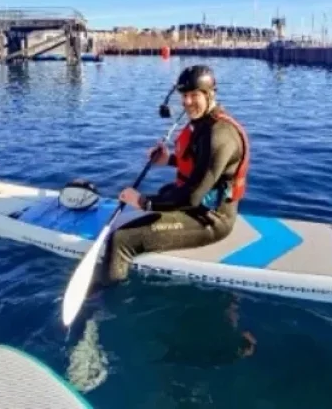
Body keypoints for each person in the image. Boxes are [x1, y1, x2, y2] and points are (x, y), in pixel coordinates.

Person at [97, 64, 251, 287]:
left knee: (121, 240)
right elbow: (201, 164)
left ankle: (103, 307)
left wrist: (143, 202)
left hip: (211, 220)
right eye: (185, 96)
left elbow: (191, 198)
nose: (187, 102)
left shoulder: (220, 135)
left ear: (210, 95)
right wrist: (167, 160)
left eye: (194, 95)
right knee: (166, 192)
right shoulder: (203, 124)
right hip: (198, 208)